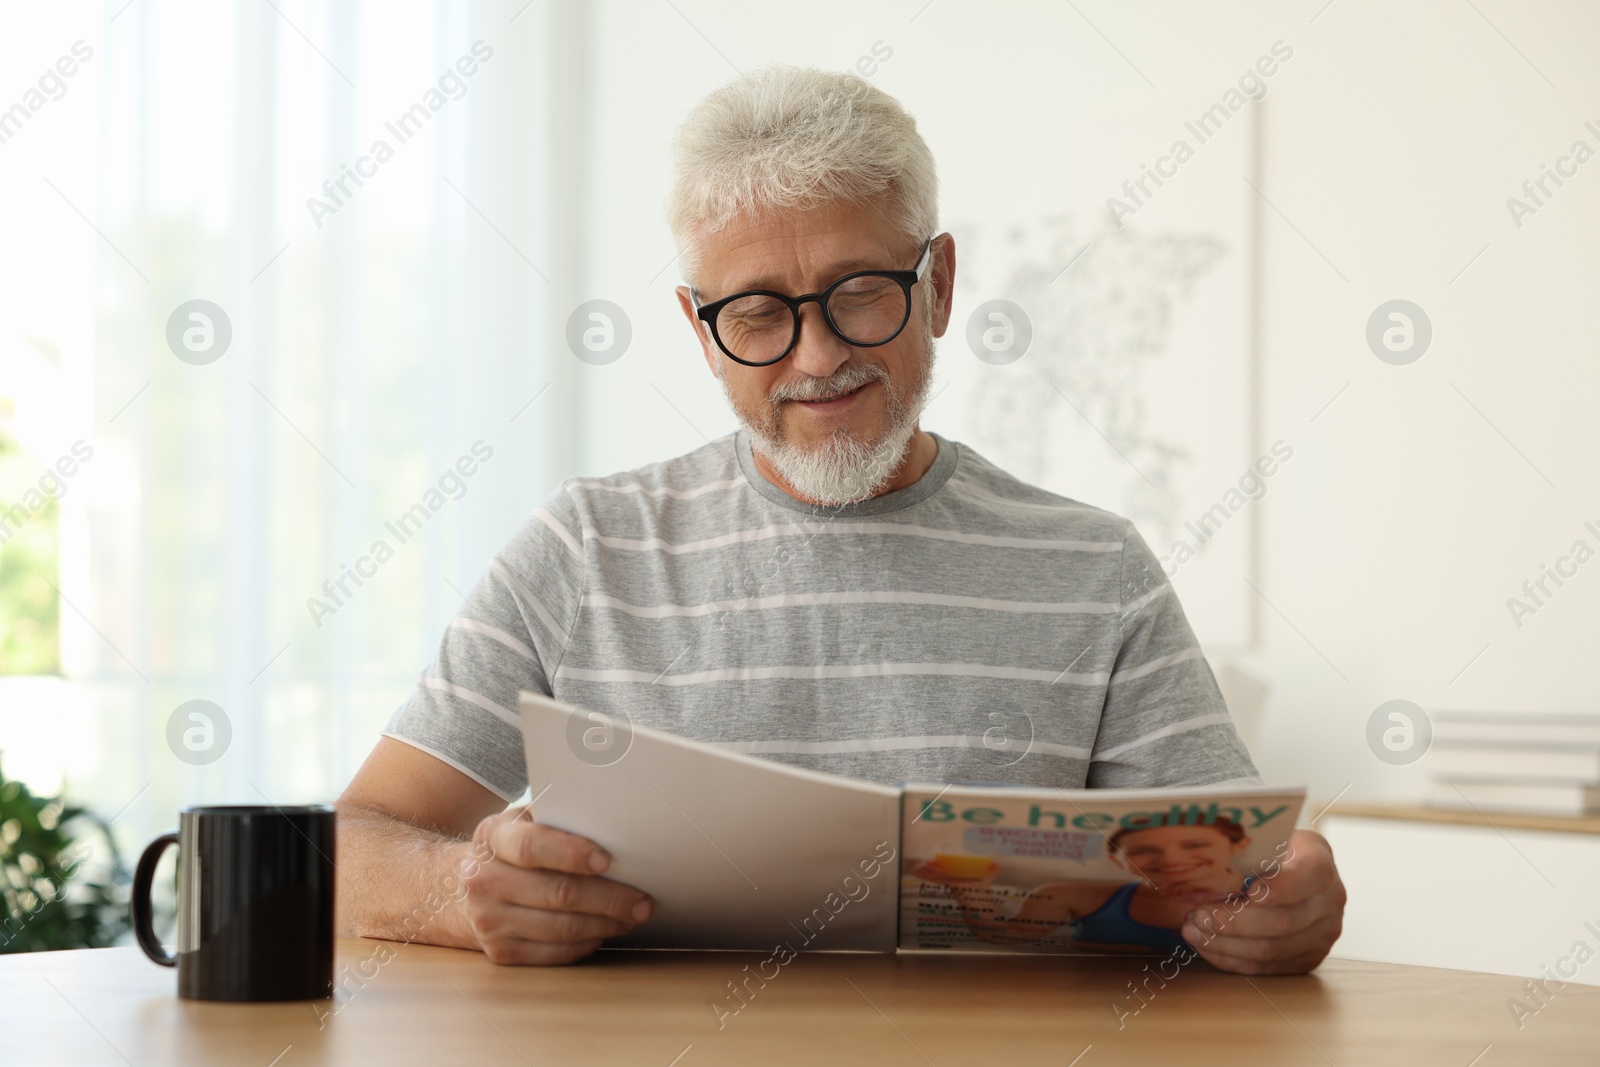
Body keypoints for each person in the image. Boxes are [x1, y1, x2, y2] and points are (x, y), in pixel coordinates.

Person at [334, 66, 1346, 973]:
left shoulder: (1096, 567)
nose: (817, 357)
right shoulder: (585, 549)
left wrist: (1284, 908)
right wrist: (458, 897)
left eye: (860, 293)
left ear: (938, 284)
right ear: (700, 331)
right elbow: (352, 842)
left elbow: (1247, 865)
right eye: (761, 313)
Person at [910, 818, 1257, 952]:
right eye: (1144, 851)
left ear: (1238, 845)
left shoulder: (1269, 893)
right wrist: (971, 887)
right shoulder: (1074, 895)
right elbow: (1002, 935)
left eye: (1196, 844)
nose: (1170, 860)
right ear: (1117, 861)